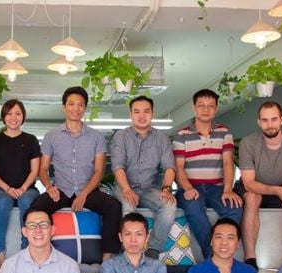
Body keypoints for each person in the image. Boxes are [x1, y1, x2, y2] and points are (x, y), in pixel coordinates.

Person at [30, 86, 122, 260]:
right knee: (36, 208)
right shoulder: (51, 136)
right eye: (71, 104)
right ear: (64, 107)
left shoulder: (96, 136)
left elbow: (99, 170)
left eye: (80, 105)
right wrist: (49, 187)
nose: (76, 108)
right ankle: (41, 254)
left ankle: (107, 259)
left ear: (85, 108)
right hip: (61, 191)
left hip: (88, 190)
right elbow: (42, 169)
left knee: (114, 206)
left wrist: (84, 194)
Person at [235, 101, 282, 269]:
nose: (270, 125)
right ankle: (250, 259)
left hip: (281, 188)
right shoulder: (248, 143)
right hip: (254, 188)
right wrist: (276, 190)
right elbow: (249, 183)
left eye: (274, 119)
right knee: (253, 197)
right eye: (265, 120)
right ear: (259, 122)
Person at [173, 89, 242, 259]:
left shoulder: (224, 132)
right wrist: (187, 188)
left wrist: (228, 189)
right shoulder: (182, 135)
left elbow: (228, 163)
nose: (206, 109)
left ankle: (221, 247)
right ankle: (212, 255)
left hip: (216, 188)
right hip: (190, 187)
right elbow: (178, 167)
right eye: (201, 105)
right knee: (194, 208)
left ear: (216, 109)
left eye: (210, 106)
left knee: (235, 207)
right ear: (194, 108)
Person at [110, 96, 176, 259]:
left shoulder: (162, 138)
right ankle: (127, 251)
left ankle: (153, 250)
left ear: (152, 114)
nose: (141, 115)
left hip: (150, 188)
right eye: (137, 111)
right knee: (127, 207)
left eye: (146, 111)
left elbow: (169, 167)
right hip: (125, 186)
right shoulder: (121, 136)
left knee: (169, 205)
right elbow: (118, 167)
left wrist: (167, 189)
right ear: (131, 115)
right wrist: (126, 189)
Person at [0, 99, 41, 269]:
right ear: (3, 117)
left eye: (18, 113)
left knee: (26, 201)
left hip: (28, 189)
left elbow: (35, 170)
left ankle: (26, 251)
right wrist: (8, 189)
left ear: (23, 116)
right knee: (3, 202)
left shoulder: (31, 140)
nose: (14, 118)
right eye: (9, 113)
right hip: (2, 189)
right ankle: (0, 255)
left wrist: (23, 188)